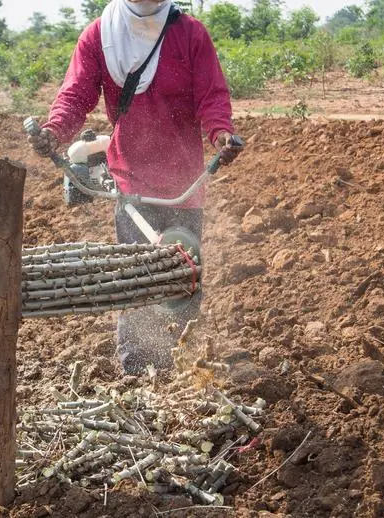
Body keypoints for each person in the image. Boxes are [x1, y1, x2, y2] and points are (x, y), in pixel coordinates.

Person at [29, 0, 243, 375]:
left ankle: (186, 369)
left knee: (183, 279)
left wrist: (221, 134)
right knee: (136, 281)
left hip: (183, 183)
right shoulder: (100, 35)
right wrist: (55, 131)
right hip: (131, 183)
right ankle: (137, 375)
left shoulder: (190, 34)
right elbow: (76, 94)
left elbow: (212, 97)